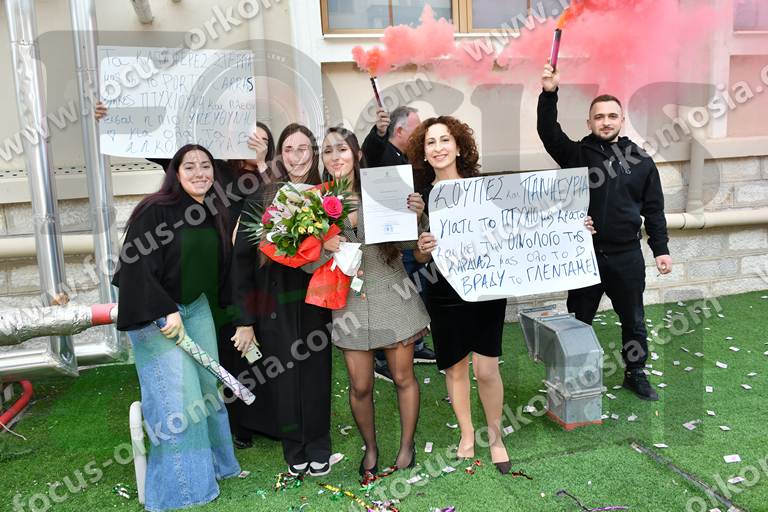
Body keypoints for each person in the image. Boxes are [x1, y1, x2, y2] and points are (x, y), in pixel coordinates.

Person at [112, 144, 241, 511]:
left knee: (207, 390)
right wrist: (165, 310)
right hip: (157, 313)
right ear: (175, 172)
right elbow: (134, 264)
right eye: (190, 166)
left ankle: (218, 466)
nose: (200, 173)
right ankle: (183, 490)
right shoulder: (154, 209)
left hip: (195, 307)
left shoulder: (213, 210)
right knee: (178, 400)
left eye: (206, 166)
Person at [537, 62, 673, 401]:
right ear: (589, 123)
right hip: (585, 255)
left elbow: (653, 210)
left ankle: (635, 372)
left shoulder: (641, 160)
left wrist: (661, 249)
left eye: (612, 116)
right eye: (599, 117)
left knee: (634, 319)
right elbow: (547, 130)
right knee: (578, 320)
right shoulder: (575, 154)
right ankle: (573, 376)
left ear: (622, 120)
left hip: (627, 255)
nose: (606, 121)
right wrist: (549, 93)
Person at [319, 126, 430, 477]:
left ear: (357, 154)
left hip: (393, 297)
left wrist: (417, 217)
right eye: (327, 151)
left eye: (342, 149)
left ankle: (407, 447)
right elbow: (306, 264)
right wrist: (322, 247)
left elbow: (417, 251)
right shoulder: (314, 204)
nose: (335, 156)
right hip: (349, 305)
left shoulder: (384, 191)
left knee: (403, 377)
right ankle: (370, 448)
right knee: (360, 386)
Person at [230, 124, 336, 477]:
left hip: (315, 296)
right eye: (289, 149)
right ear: (280, 155)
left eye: (303, 148)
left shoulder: (327, 195)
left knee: (316, 373)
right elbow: (241, 262)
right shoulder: (261, 196)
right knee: (285, 376)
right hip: (274, 300)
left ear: (314, 152)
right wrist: (245, 319)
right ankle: (294, 447)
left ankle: (318, 444)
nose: (296, 157)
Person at [408, 117, 512, 474]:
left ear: (458, 146)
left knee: (486, 369)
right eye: (430, 142)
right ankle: (467, 434)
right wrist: (422, 248)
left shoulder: (484, 189)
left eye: (444, 140)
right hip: (444, 291)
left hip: (486, 288)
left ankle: (495, 437)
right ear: (424, 153)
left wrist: (574, 226)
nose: (438, 147)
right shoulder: (419, 200)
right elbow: (418, 256)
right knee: (454, 366)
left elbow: (518, 229)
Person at [362, 106, 437, 382]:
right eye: (418, 129)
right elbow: (369, 153)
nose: (423, 135)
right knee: (396, 298)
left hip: (409, 238)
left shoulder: (407, 158)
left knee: (415, 294)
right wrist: (378, 132)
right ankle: (382, 358)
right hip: (389, 244)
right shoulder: (382, 153)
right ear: (400, 130)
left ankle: (415, 344)